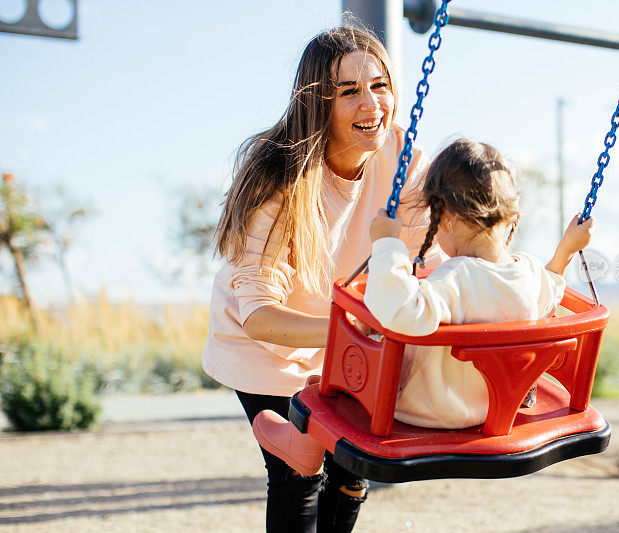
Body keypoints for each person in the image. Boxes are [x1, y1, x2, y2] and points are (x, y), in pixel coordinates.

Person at [202, 26, 441, 532]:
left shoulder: (403, 157)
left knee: (353, 471)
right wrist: (360, 324)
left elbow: (431, 255)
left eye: (379, 85)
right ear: (318, 105)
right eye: (349, 92)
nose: (372, 103)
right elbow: (260, 316)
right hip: (269, 343)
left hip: (349, 329)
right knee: (296, 471)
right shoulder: (276, 175)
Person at [364, 138, 594, 429]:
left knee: (370, 340)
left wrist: (386, 243)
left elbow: (399, 310)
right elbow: (553, 287)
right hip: (494, 408)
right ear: (511, 217)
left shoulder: (455, 278)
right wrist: (567, 249)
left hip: (429, 411)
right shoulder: (530, 274)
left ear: (443, 218)